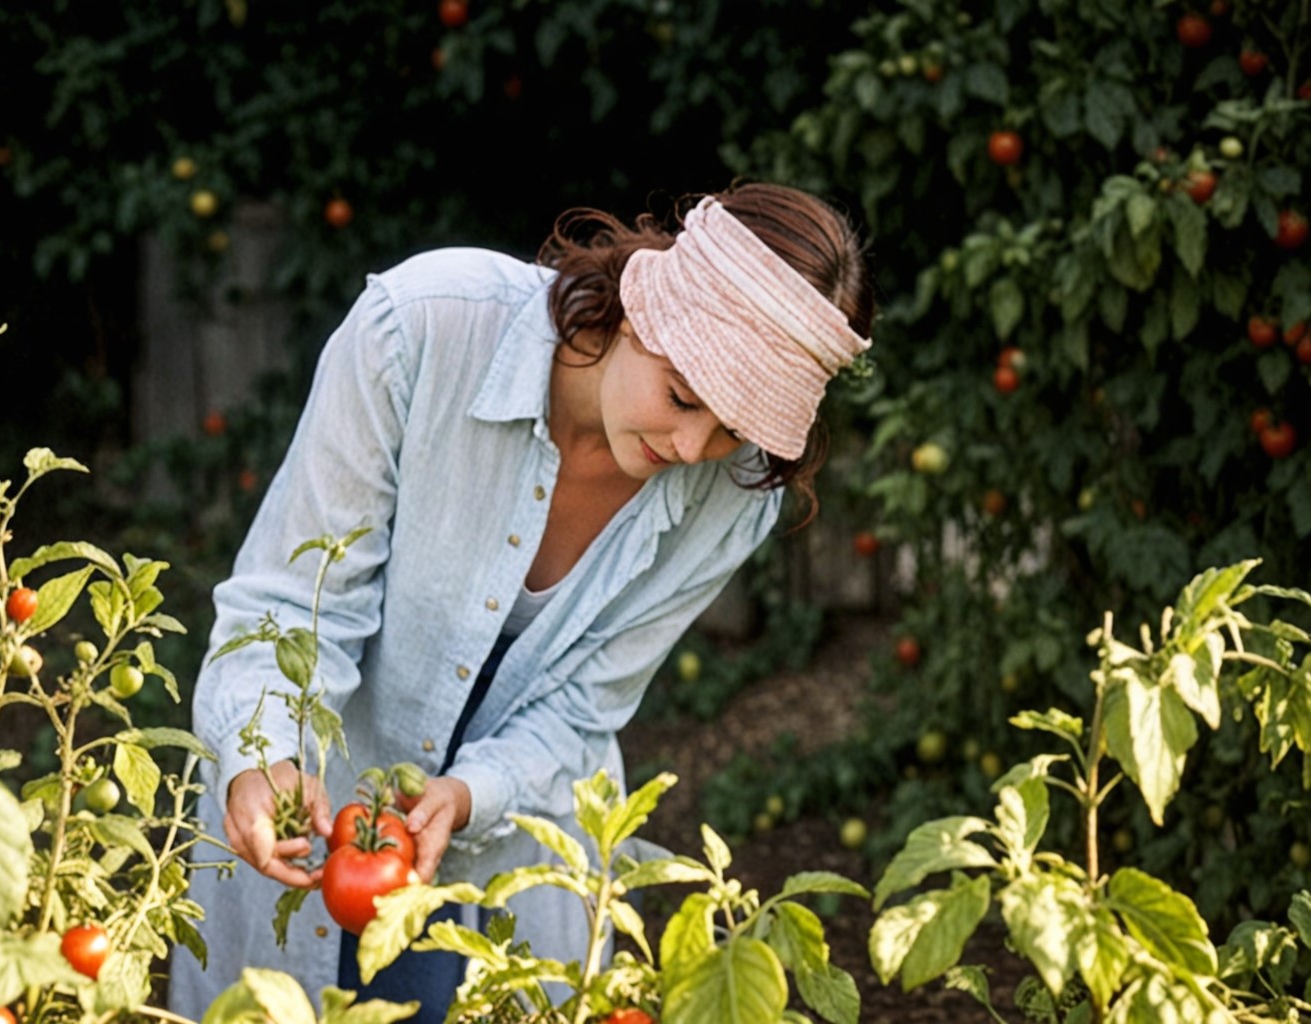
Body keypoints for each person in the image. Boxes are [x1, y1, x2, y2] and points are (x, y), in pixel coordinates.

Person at [169, 181, 875, 1021]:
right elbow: (294, 601)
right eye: (684, 396)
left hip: (518, 837)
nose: (691, 446)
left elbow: (585, 706)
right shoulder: (424, 328)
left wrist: (471, 794)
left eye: (731, 429)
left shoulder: (733, 496)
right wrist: (264, 752)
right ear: (639, 305)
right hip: (311, 809)